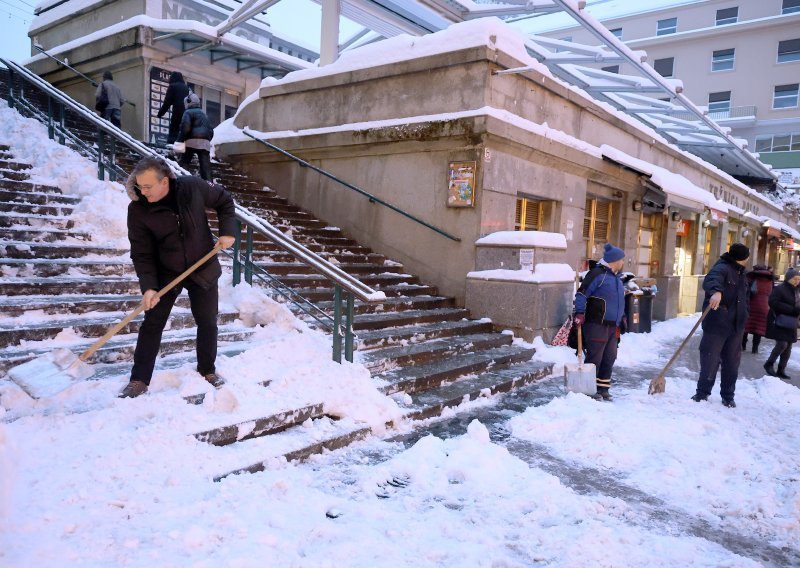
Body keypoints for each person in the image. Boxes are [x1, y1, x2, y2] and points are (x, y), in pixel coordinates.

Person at [119, 157, 237, 398]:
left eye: (148, 187)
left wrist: (228, 232)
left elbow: (224, 200)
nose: (143, 191)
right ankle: (139, 379)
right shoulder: (138, 209)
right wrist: (149, 287)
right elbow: (142, 253)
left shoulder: (192, 187)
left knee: (207, 321)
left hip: (202, 264)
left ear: (165, 182)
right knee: (153, 323)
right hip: (166, 271)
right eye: (140, 186)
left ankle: (207, 370)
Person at [691, 243, 750, 408]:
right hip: (717, 323)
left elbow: (746, 297)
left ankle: (728, 396)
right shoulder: (722, 268)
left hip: (736, 325)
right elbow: (711, 279)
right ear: (743, 258)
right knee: (710, 359)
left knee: (732, 363)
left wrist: (746, 312)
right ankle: (702, 393)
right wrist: (716, 291)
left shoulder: (742, 273)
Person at [573, 243, 627, 401]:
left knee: (609, 357)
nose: (623, 263)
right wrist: (580, 313)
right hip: (597, 324)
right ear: (614, 260)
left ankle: (603, 388)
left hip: (612, 326)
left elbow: (617, 301)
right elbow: (581, 295)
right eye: (622, 260)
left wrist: (622, 317)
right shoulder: (597, 274)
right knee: (595, 358)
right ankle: (589, 390)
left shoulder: (616, 278)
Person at [763, 267, 800, 380]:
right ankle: (769, 364)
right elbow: (772, 302)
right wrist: (791, 309)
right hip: (779, 320)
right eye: (795, 279)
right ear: (788, 278)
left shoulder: (798, 291)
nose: (797, 281)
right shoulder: (780, 289)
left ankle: (781, 369)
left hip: (792, 322)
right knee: (782, 344)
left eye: (799, 279)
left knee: (788, 347)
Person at [177, 92, 214, 181]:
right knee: (205, 166)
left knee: (185, 160)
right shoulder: (204, 114)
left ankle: (182, 179)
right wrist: (206, 140)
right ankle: (209, 185)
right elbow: (211, 131)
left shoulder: (188, 112)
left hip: (191, 141)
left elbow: (185, 128)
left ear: (188, 102)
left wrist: (179, 141)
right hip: (205, 143)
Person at [742, 265, 774, 354]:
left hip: (751, 305)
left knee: (746, 327)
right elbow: (771, 294)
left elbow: (747, 292)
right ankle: (754, 349)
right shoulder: (769, 281)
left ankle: (743, 345)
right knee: (758, 329)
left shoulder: (752, 279)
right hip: (764, 307)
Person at [157, 71, 190, 145]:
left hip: (177, 112)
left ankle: (171, 145)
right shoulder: (186, 88)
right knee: (182, 131)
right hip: (186, 114)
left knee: (174, 129)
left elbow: (167, 102)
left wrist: (160, 114)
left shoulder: (173, 86)